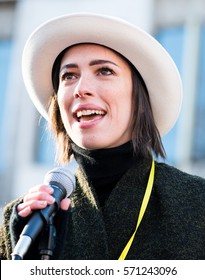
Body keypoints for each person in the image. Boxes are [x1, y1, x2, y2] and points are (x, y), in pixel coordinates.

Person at [1, 13, 205, 260]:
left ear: (138, 95)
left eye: (104, 71)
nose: (80, 89)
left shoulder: (198, 204)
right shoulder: (21, 224)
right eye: (69, 76)